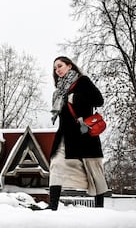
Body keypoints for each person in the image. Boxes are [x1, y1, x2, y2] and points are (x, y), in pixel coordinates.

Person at [47, 56, 108, 210]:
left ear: (69, 66)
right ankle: (52, 206)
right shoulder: (58, 91)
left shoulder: (83, 82)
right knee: (56, 164)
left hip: (83, 133)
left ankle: (99, 208)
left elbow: (99, 101)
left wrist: (76, 98)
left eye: (60, 66)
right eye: (55, 68)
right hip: (65, 135)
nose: (57, 70)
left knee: (94, 169)